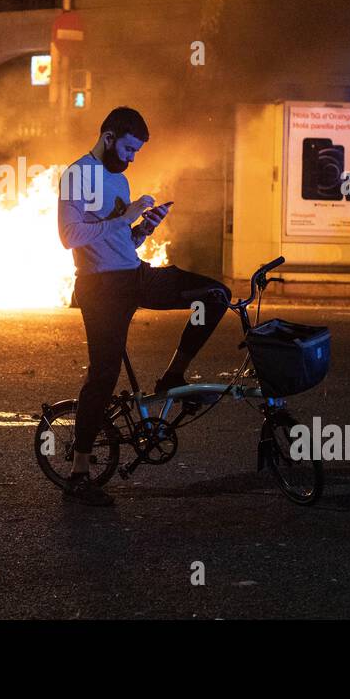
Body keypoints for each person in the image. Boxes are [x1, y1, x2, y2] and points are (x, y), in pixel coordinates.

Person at [56, 106, 230, 506]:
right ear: (110, 136)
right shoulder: (77, 174)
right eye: (130, 148)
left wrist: (142, 229)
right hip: (101, 288)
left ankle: (173, 378)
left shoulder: (119, 179)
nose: (132, 157)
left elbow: (119, 242)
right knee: (103, 374)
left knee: (215, 295)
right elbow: (69, 236)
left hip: (133, 273)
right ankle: (79, 475)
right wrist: (127, 216)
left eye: (137, 151)